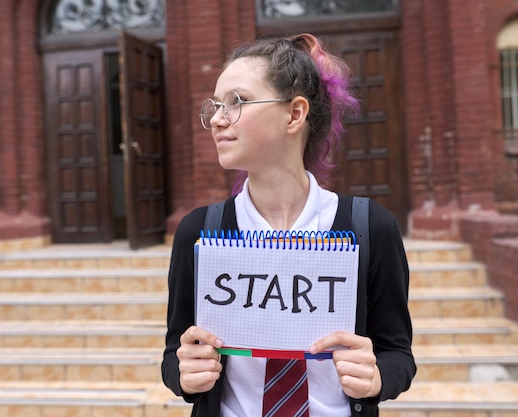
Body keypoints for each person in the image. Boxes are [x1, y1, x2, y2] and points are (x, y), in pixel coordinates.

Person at [161, 33, 415, 417]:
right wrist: (185, 374)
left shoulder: (369, 228)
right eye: (215, 105)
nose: (216, 119)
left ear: (294, 114)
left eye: (237, 102)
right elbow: (173, 357)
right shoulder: (199, 232)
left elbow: (397, 354)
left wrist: (378, 377)